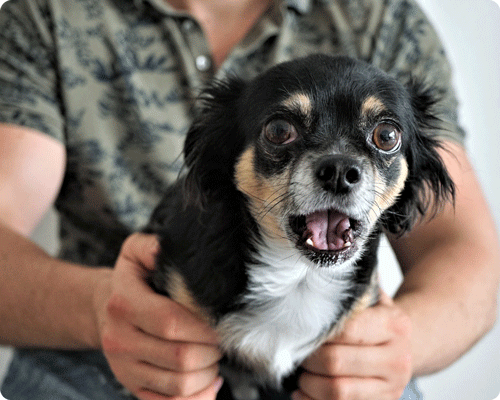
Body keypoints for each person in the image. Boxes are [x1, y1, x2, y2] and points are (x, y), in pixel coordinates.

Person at [0, 0, 498, 399]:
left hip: (345, 365)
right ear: (222, 160)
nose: (343, 169)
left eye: (383, 138)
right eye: (282, 131)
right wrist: (98, 308)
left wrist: (401, 342)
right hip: (110, 344)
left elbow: (466, 250)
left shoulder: (384, 18)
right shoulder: (48, 13)